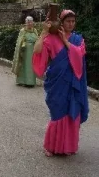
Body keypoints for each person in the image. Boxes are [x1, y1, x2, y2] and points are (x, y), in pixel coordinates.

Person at [32, 10, 89, 157]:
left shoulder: (77, 39)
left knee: (72, 113)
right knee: (57, 114)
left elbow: (80, 54)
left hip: (73, 82)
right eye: (68, 21)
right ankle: (50, 146)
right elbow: (37, 50)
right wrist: (44, 32)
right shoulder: (50, 38)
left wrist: (65, 41)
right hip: (57, 83)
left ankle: (68, 147)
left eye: (73, 21)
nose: (71, 24)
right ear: (61, 23)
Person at [12, 16, 38, 87]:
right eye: (28, 22)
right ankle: (21, 81)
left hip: (33, 50)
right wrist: (22, 43)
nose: (29, 23)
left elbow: (37, 39)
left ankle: (30, 82)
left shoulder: (35, 30)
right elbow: (19, 41)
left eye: (31, 22)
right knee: (24, 65)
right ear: (26, 23)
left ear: (33, 23)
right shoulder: (22, 31)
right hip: (24, 51)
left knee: (31, 65)